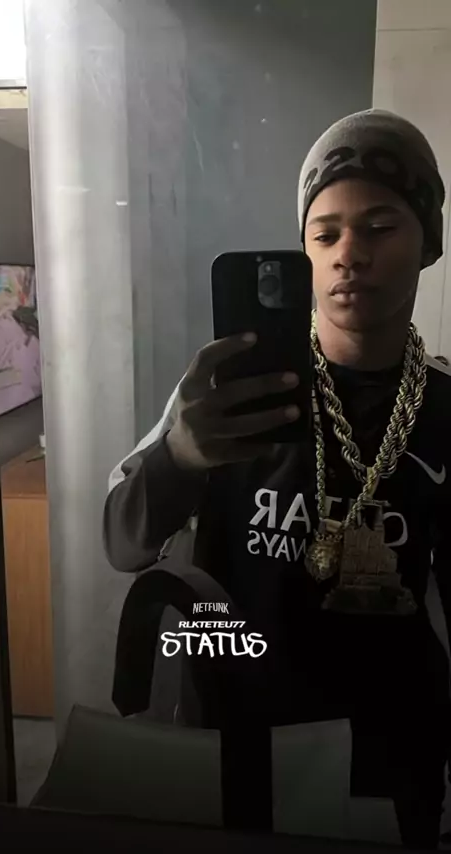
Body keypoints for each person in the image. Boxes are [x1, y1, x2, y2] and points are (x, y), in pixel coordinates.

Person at [104, 109, 451, 849]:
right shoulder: (223, 395)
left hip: (391, 765)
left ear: (429, 243)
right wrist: (179, 457)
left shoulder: (446, 407)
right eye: (324, 235)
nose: (348, 253)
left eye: (380, 227)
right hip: (234, 743)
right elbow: (122, 543)